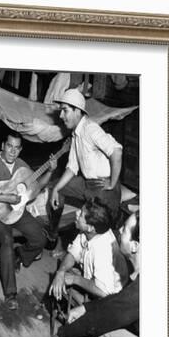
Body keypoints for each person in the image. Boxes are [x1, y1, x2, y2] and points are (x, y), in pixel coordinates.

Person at [0, 130, 55, 310]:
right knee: (6, 242)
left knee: (40, 238)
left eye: (16, 148)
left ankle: (19, 256)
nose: (12, 151)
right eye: (9, 146)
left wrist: (50, 171)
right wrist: (6, 198)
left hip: (18, 212)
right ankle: (10, 293)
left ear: (20, 150)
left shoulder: (21, 165)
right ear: (3, 146)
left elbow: (37, 187)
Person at [48, 88, 123, 241]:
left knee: (98, 232)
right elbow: (72, 167)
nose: (61, 116)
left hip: (103, 189)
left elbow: (117, 151)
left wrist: (112, 182)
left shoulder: (90, 129)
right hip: (87, 184)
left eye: (65, 111)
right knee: (56, 188)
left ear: (77, 111)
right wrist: (56, 188)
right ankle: (53, 234)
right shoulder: (76, 134)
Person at [56, 211, 140, 337]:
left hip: (109, 296)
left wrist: (62, 336)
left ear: (134, 246)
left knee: (101, 334)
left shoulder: (103, 250)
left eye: (124, 229)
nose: (119, 230)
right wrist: (85, 308)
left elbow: (109, 301)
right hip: (115, 300)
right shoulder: (87, 233)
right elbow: (73, 252)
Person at [48, 198, 126, 303]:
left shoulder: (102, 251)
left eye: (80, 214)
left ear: (90, 228)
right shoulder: (90, 232)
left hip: (109, 299)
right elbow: (73, 253)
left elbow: (105, 292)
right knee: (60, 275)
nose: (76, 213)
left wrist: (75, 279)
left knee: (63, 286)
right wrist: (61, 272)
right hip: (93, 279)